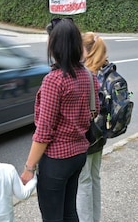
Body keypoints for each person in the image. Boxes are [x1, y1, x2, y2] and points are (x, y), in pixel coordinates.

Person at [21, 18, 100, 222]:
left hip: (56, 160)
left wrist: (29, 168)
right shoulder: (89, 76)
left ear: (56, 45)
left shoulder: (54, 80)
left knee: (52, 217)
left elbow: (43, 132)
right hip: (79, 154)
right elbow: (95, 111)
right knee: (69, 212)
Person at [76, 31, 109, 222]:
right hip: (101, 132)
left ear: (86, 51)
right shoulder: (105, 70)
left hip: (88, 134)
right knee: (95, 178)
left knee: (84, 181)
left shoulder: (87, 74)